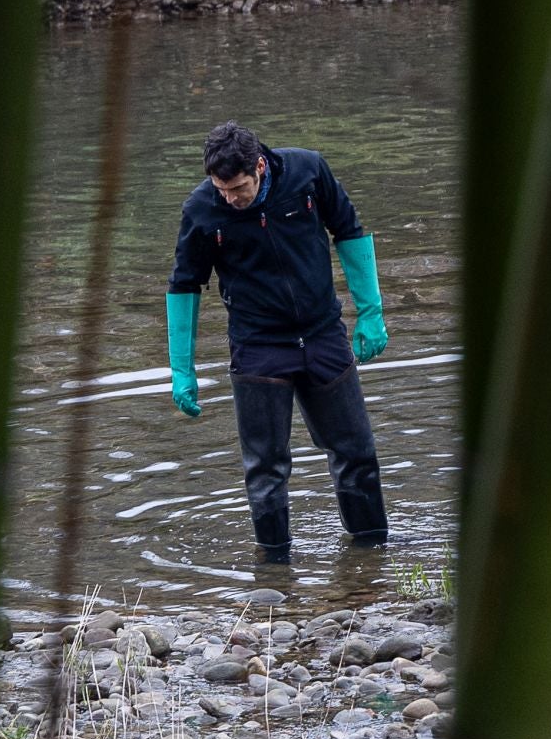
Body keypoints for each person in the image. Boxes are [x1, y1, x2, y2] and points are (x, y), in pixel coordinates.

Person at [165, 121, 390, 562]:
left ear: (260, 167)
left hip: (324, 336)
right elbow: (184, 284)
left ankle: (372, 554)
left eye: (239, 187)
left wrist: (370, 312)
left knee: (356, 453)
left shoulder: (307, 172)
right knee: (266, 469)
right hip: (258, 349)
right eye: (221, 188)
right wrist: (181, 368)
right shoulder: (202, 210)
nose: (231, 197)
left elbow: (349, 229)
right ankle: (274, 570)